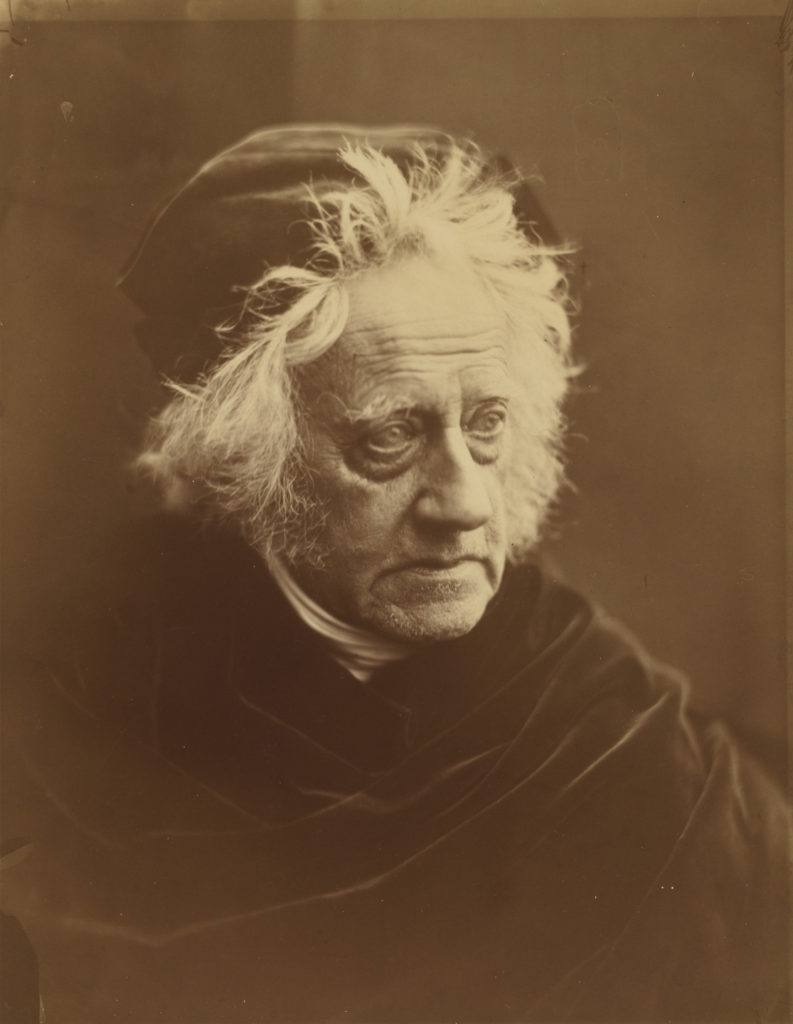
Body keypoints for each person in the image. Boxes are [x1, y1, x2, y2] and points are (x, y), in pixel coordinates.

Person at [2, 124, 789, 1023]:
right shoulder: (69, 688)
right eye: (390, 437)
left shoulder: (640, 759)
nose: (465, 504)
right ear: (252, 458)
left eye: (485, 424)